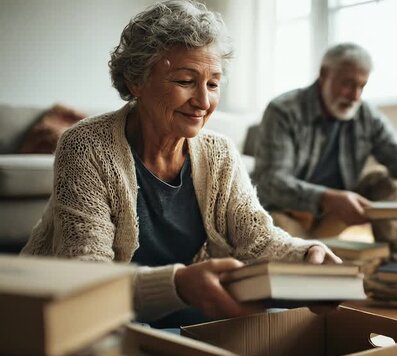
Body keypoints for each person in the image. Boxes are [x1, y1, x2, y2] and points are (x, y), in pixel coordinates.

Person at [20, 0, 339, 328]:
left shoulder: (220, 154)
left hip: (172, 307)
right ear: (136, 81)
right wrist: (178, 284)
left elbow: (257, 238)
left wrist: (307, 254)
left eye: (213, 84)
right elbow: (85, 276)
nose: (203, 102)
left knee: (275, 321)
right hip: (68, 314)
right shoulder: (86, 146)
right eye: (186, 81)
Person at [252, 43, 397, 240]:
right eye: (347, 84)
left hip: (334, 215)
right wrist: (327, 199)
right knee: (282, 238)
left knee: (389, 184)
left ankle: (389, 259)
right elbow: (271, 181)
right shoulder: (283, 111)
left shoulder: (366, 116)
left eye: (361, 86)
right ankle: (307, 253)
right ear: (324, 75)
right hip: (286, 214)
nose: (355, 96)